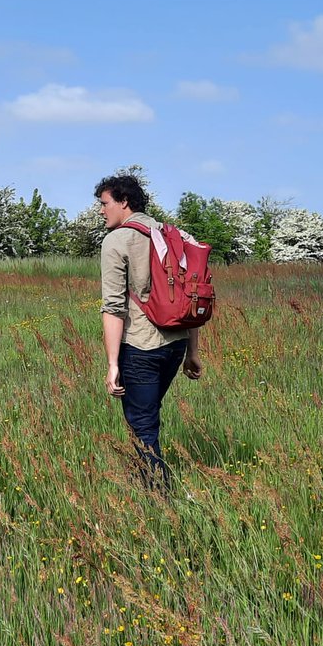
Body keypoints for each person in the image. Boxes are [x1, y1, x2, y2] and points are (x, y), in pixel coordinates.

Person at [96, 172, 202, 488]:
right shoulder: (176, 235)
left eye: (104, 203)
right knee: (147, 416)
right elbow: (191, 297)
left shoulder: (116, 241)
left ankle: (158, 496)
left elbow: (114, 307)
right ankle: (144, 480)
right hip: (177, 344)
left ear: (124, 202)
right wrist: (193, 352)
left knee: (142, 424)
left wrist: (113, 364)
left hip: (140, 346)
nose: (101, 211)